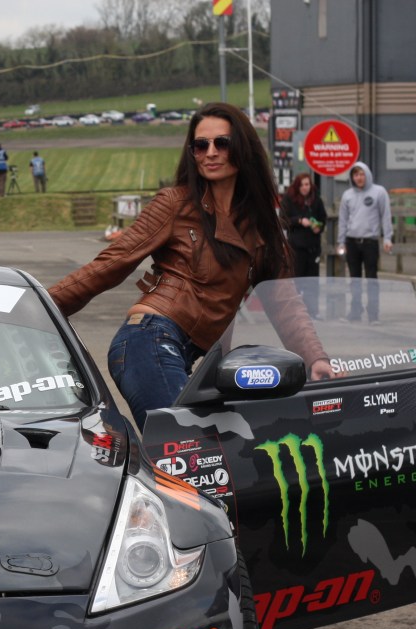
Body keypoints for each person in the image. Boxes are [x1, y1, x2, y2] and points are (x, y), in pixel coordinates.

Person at [47, 102, 333, 429]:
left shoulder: (262, 226)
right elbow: (111, 263)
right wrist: (39, 306)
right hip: (148, 339)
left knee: (214, 454)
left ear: (243, 148)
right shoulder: (175, 203)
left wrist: (316, 358)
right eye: (201, 145)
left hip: (195, 358)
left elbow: (285, 303)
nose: (210, 152)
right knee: (188, 446)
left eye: (221, 143)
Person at [336, 161, 393, 323]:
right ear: (352, 177)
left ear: (367, 174)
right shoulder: (347, 195)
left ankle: (373, 314)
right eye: (356, 174)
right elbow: (343, 220)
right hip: (352, 241)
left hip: (370, 242)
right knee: (354, 279)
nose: (359, 178)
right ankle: (355, 312)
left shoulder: (379, 192)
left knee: (371, 279)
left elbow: (385, 216)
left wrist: (387, 237)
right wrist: (341, 241)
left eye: (361, 174)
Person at [281, 171, 327, 317]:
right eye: (302, 185)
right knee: (297, 281)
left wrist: (318, 227)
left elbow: (323, 218)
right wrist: (299, 221)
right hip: (296, 247)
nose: (305, 188)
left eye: (307, 184)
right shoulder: (289, 199)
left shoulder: (316, 200)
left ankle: (313, 311)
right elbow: (283, 220)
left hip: (313, 247)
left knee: (312, 282)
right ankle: (296, 312)